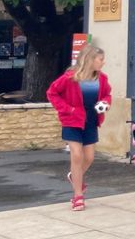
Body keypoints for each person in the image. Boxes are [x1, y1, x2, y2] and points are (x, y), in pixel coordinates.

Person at [46, 44, 111, 211]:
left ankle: (74, 176)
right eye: (100, 59)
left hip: (90, 121)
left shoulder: (102, 78)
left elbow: (107, 94)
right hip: (72, 121)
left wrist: (105, 103)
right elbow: (52, 93)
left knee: (89, 157)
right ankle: (78, 196)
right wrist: (68, 109)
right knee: (76, 155)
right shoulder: (70, 77)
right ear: (90, 59)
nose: (103, 63)